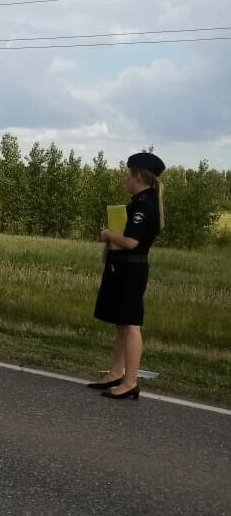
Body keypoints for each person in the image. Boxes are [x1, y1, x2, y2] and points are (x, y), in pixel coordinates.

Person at [89, 151, 166, 399]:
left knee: (131, 325)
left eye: (128, 174)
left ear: (138, 176)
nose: (125, 178)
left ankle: (130, 381)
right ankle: (116, 372)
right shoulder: (139, 202)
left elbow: (131, 242)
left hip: (131, 269)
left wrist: (108, 235)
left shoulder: (144, 205)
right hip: (122, 267)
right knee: (121, 323)